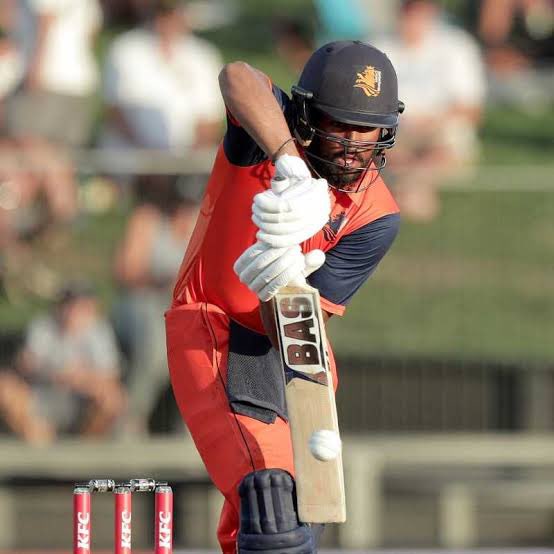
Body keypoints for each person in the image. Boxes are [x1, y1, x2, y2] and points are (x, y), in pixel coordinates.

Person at [165, 40, 403, 552]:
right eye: (338, 124)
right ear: (305, 113)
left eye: (365, 130)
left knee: (290, 519)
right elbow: (237, 73)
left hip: (294, 354)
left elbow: (304, 325)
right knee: (271, 504)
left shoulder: (377, 217)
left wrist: (280, 285)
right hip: (213, 328)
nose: (352, 143)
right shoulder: (264, 137)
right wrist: (290, 164)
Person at [375, 0, 486, 221]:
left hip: (440, 125)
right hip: (396, 126)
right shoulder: (378, 47)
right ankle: (415, 190)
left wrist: (433, 121)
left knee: (456, 135)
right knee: (377, 137)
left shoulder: (458, 46)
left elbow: (471, 109)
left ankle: (405, 185)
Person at [112, 178, 198, 435]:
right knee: (155, 349)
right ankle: (129, 424)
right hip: (142, 301)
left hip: (185, 306)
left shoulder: (203, 219)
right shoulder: (147, 219)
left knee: (200, 351)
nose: (183, 209)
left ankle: (190, 436)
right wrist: (163, 280)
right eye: (180, 201)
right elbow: (125, 272)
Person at [0, 282, 125, 443]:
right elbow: (28, 365)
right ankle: (40, 439)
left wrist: (79, 378)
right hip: (42, 395)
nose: (72, 311)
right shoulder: (43, 327)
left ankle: (86, 447)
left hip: (80, 401)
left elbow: (110, 377)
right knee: (5, 387)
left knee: (113, 399)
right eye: (68, 304)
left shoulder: (98, 331)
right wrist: (56, 373)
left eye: (79, 305)